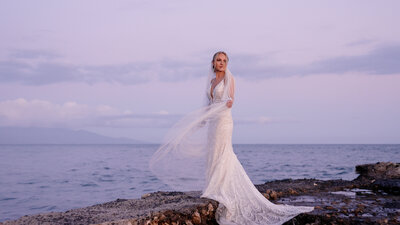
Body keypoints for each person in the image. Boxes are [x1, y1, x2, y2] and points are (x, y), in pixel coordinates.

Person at [149, 51, 314, 225]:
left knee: (223, 152)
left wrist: (228, 102)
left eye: (224, 60)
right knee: (213, 152)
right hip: (213, 122)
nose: (221, 63)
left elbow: (230, 99)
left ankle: (220, 188)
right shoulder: (212, 81)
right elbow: (209, 104)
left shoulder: (229, 78)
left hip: (224, 121)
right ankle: (213, 185)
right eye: (218, 60)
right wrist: (201, 121)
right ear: (212, 63)